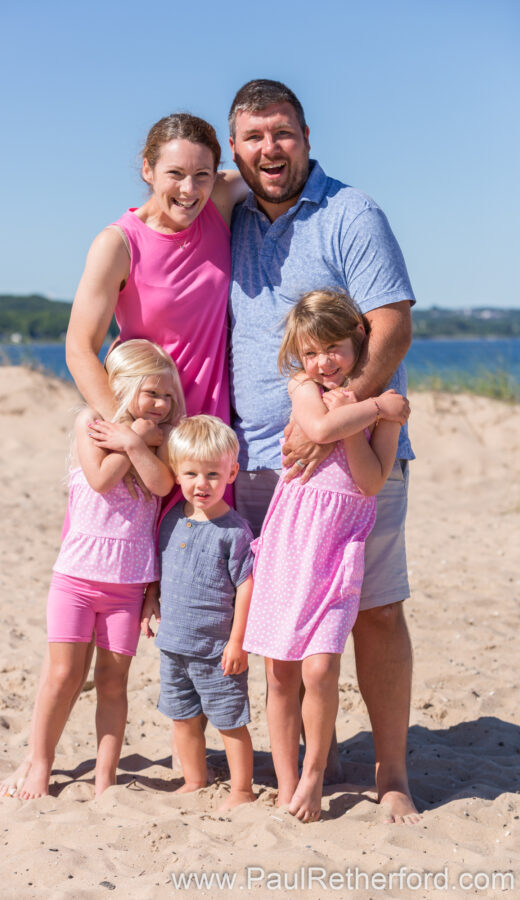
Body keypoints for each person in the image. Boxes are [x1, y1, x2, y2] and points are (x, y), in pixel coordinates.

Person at [0, 112, 245, 799]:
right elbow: (80, 346)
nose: (189, 190)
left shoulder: (224, 199)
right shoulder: (119, 241)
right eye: (174, 174)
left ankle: (212, 759)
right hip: (146, 428)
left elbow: (273, 170)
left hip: (205, 443)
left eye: (201, 174)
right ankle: (77, 761)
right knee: (138, 603)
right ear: (145, 168)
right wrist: (122, 428)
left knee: (205, 602)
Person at [228, 79, 420, 824]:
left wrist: (345, 417)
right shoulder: (235, 214)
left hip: (355, 461)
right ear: (237, 147)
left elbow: (392, 324)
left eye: (282, 133)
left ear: (307, 137)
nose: (270, 149)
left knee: (372, 610)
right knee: (285, 625)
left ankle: (393, 772)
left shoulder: (351, 213)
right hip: (260, 459)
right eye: (254, 137)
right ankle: (309, 761)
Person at [243, 289, 404, 822]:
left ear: (359, 341)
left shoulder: (374, 412)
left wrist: (368, 416)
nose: (323, 362)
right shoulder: (304, 387)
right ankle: (288, 781)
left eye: (334, 348)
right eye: (312, 352)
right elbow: (315, 429)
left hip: (338, 554)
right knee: (280, 674)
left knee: (319, 669)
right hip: (291, 546)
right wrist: (373, 406)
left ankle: (313, 776)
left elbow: (370, 481)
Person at [9, 340, 185, 799]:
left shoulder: (163, 439)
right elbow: (101, 478)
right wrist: (130, 438)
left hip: (127, 585)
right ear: (123, 388)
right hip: (77, 578)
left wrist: (135, 439)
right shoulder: (89, 422)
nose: (162, 405)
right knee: (64, 675)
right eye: (152, 394)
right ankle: (40, 764)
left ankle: (105, 780)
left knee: (113, 682)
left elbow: (163, 483)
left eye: (168, 396)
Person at [141, 415, 256, 811]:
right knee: (183, 717)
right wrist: (150, 599)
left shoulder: (235, 531)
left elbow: (246, 587)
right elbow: (162, 567)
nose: (201, 483)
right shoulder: (171, 520)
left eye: (212, 474)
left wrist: (237, 642)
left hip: (216, 650)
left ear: (232, 472)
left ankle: (242, 789)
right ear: (176, 473)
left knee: (229, 721)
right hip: (173, 645)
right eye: (191, 473)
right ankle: (195, 778)